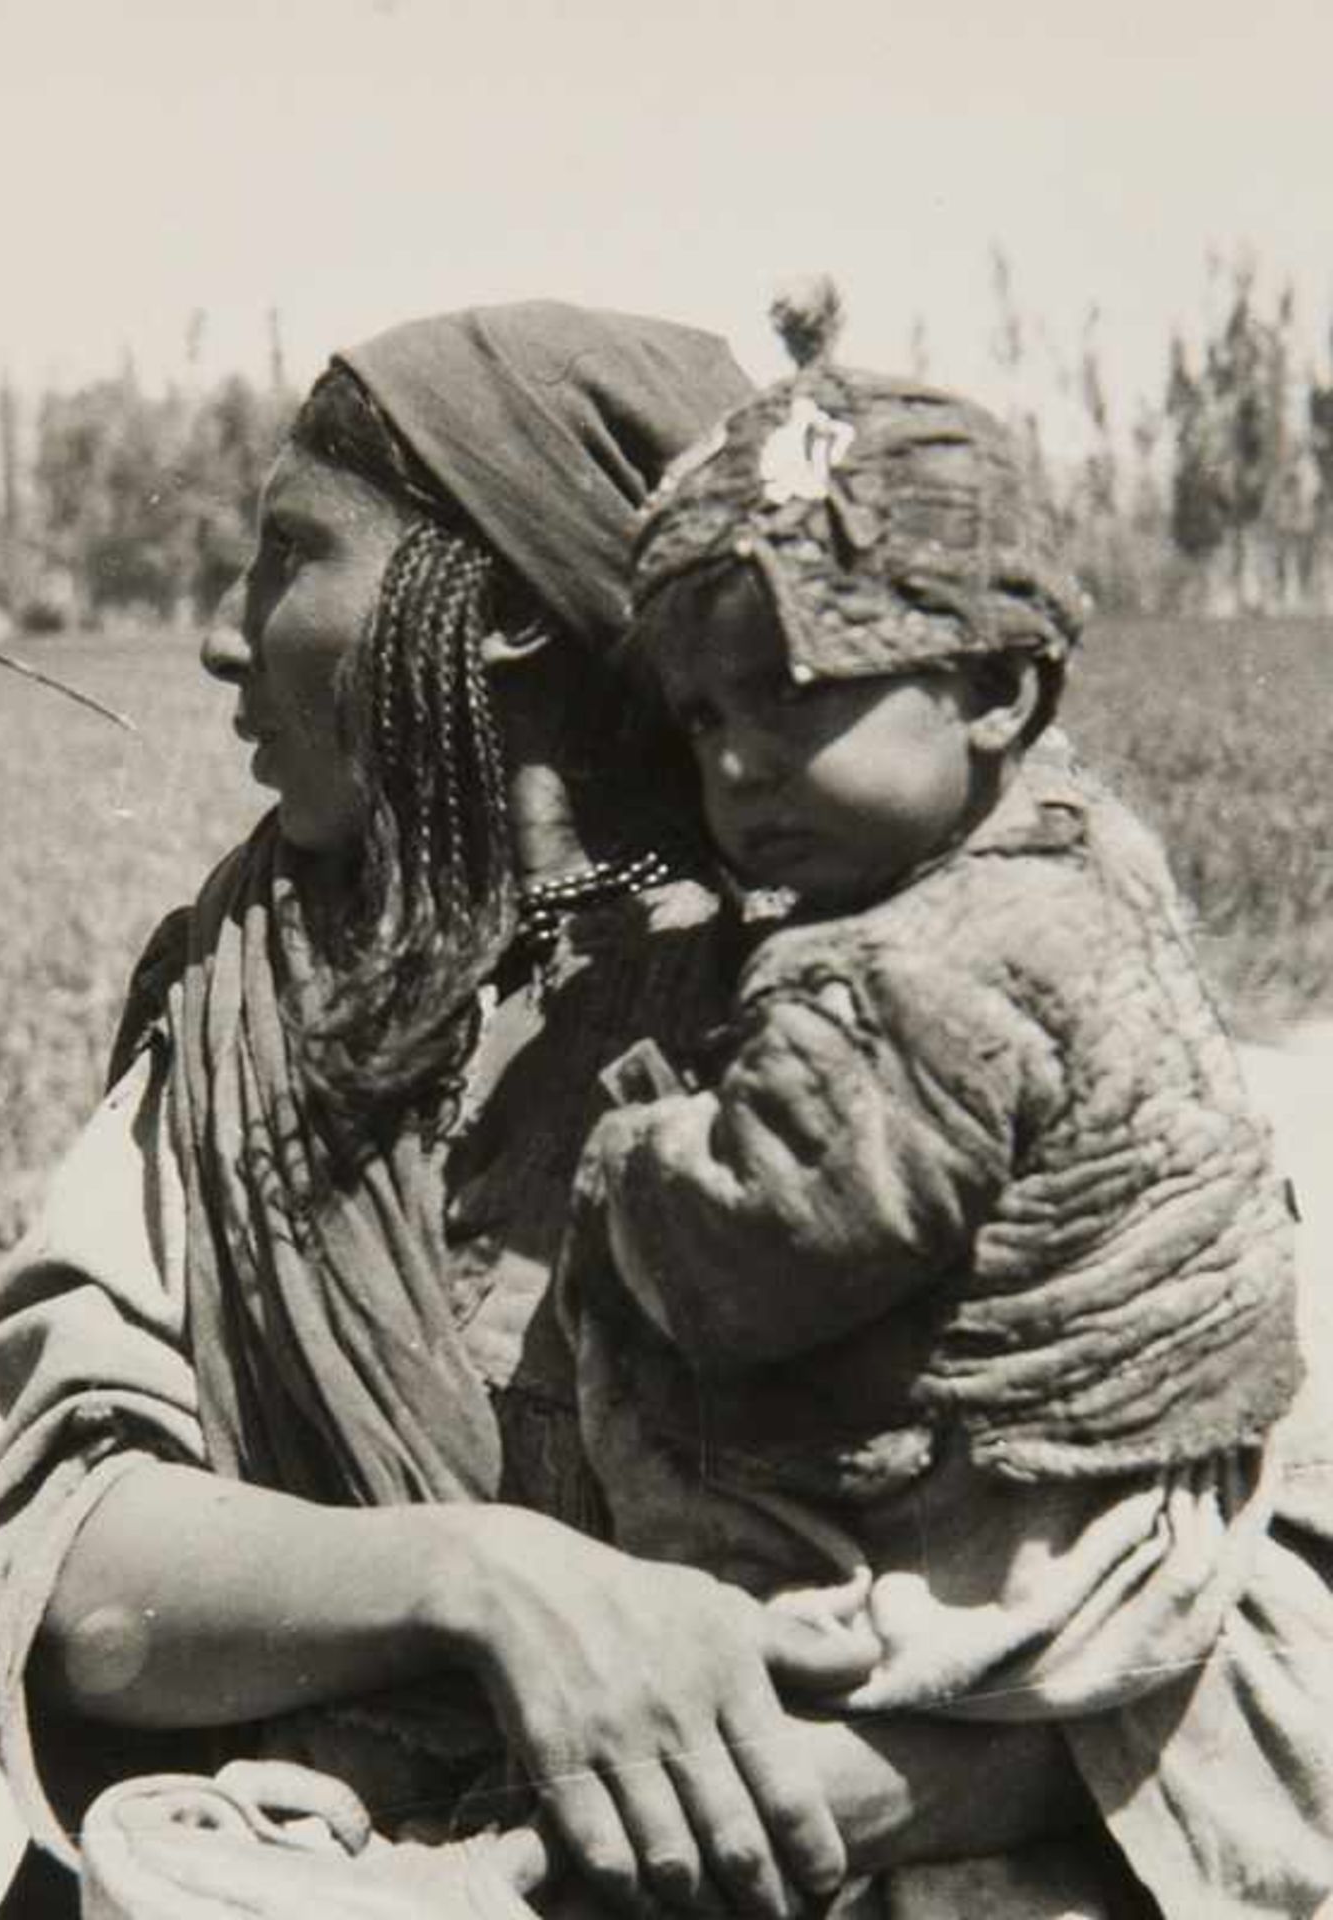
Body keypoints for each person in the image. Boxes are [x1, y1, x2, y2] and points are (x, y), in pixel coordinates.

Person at [0, 300, 1096, 1920]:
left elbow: (1210, 1617)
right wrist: (487, 1584)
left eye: (289, 554)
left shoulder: (939, 991)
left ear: (490, 611)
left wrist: (721, 1799)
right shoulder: (254, 995)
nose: (223, 631)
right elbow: (76, 1567)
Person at [557, 295, 1333, 1916]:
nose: (739, 767)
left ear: (996, 690)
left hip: (1018, 1540)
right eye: (704, 718)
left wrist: (635, 1151)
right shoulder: (1070, 846)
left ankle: (773, 1635)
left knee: (649, 1366)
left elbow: (756, 1251)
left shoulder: (912, 974)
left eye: (797, 690)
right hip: (1168, 1467)